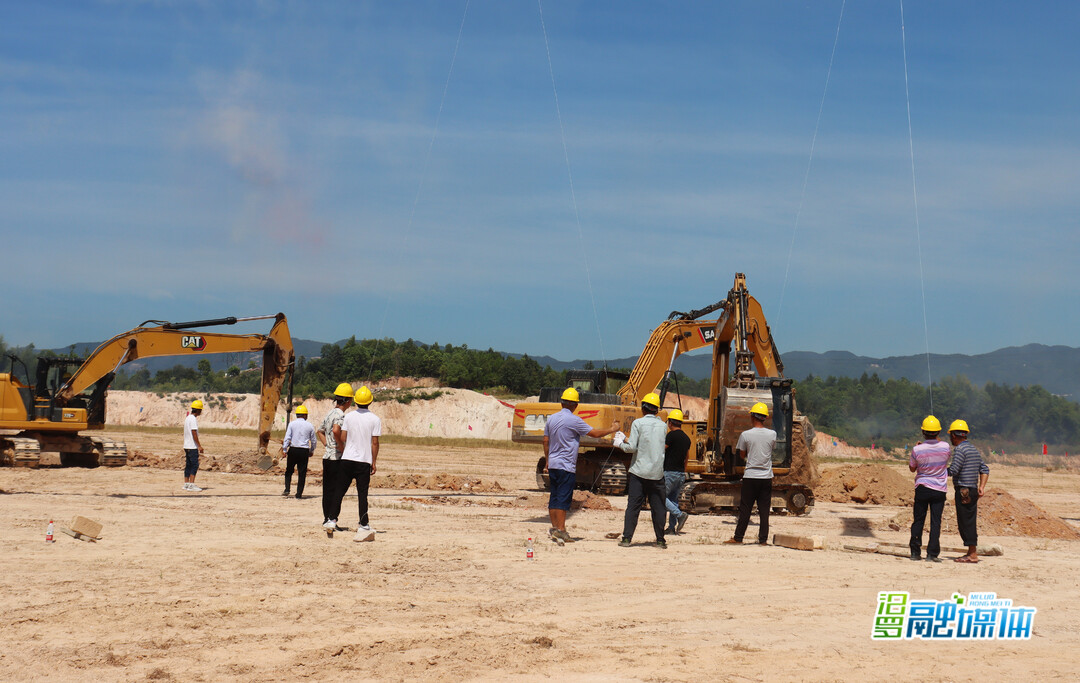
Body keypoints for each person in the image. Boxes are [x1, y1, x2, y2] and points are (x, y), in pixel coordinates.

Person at [542, 387, 620, 546]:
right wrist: (612, 429)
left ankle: (555, 528)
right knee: (563, 498)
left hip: (554, 464)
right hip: (566, 466)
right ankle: (562, 530)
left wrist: (547, 460)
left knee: (554, 497)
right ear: (575, 405)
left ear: (561, 402)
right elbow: (595, 434)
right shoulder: (574, 420)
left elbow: (545, 440)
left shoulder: (551, 419)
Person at [617, 392, 669, 549]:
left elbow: (632, 447)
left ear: (643, 408)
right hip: (657, 473)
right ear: (656, 410)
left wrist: (620, 443)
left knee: (633, 507)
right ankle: (660, 540)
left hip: (638, 473)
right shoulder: (664, 426)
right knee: (659, 508)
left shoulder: (637, 424)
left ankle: (627, 539)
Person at [724, 402, 776, 545]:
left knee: (745, 508)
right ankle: (763, 540)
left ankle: (738, 537)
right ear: (764, 418)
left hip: (750, 476)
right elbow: (770, 450)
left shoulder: (745, 435)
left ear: (753, 417)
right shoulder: (772, 434)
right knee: (764, 510)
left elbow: (742, 455)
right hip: (766, 477)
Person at [338, 386, 381, 542]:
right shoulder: (375, 419)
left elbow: (343, 438)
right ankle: (364, 524)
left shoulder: (348, 417)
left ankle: (331, 518)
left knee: (340, 491)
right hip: (364, 462)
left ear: (355, 400)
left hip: (347, 459)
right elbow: (375, 443)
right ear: (370, 401)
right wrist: (374, 462)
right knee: (362, 494)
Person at [947, 419, 990, 563]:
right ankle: (971, 552)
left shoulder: (960, 450)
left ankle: (972, 554)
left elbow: (953, 470)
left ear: (953, 435)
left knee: (965, 522)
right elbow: (985, 470)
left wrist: (936, 470)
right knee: (969, 521)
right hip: (972, 490)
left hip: (963, 491)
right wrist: (981, 487)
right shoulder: (973, 449)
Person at [908, 415, 950, 562]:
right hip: (939, 489)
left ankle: (915, 552)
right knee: (935, 522)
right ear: (938, 432)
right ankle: (932, 554)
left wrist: (920, 447)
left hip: (922, 487)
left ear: (923, 432)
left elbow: (912, 469)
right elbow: (940, 448)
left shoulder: (916, 449)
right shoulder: (945, 447)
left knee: (918, 520)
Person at [318, 383, 354, 531]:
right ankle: (332, 519)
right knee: (337, 490)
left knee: (327, 490)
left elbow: (319, 431)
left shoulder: (330, 413)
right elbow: (336, 430)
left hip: (327, 457)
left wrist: (327, 445)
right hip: (336, 459)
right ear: (348, 401)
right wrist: (341, 446)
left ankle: (326, 519)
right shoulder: (341, 415)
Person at [663, 409, 691, 535]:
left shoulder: (670, 436)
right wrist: (683, 471)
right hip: (680, 473)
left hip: (669, 472)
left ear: (670, 423)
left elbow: (661, 450)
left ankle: (680, 515)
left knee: (660, 497)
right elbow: (687, 457)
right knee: (673, 500)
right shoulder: (686, 438)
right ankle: (671, 528)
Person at [281, 405, 317, 499]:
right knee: (302, 473)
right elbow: (313, 440)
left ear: (297, 415)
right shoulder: (309, 425)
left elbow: (287, 438)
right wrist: (311, 450)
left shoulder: (292, 424)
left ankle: (287, 489)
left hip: (293, 450)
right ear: (305, 415)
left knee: (289, 471)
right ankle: (299, 494)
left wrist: (284, 450)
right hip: (304, 451)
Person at [182, 399, 205, 492]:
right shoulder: (193, 419)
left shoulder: (188, 418)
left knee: (188, 465)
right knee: (194, 465)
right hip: (192, 446)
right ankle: (191, 484)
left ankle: (186, 484)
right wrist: (199, 446)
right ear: (198, 410)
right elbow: (194, 432)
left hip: (186, 445)